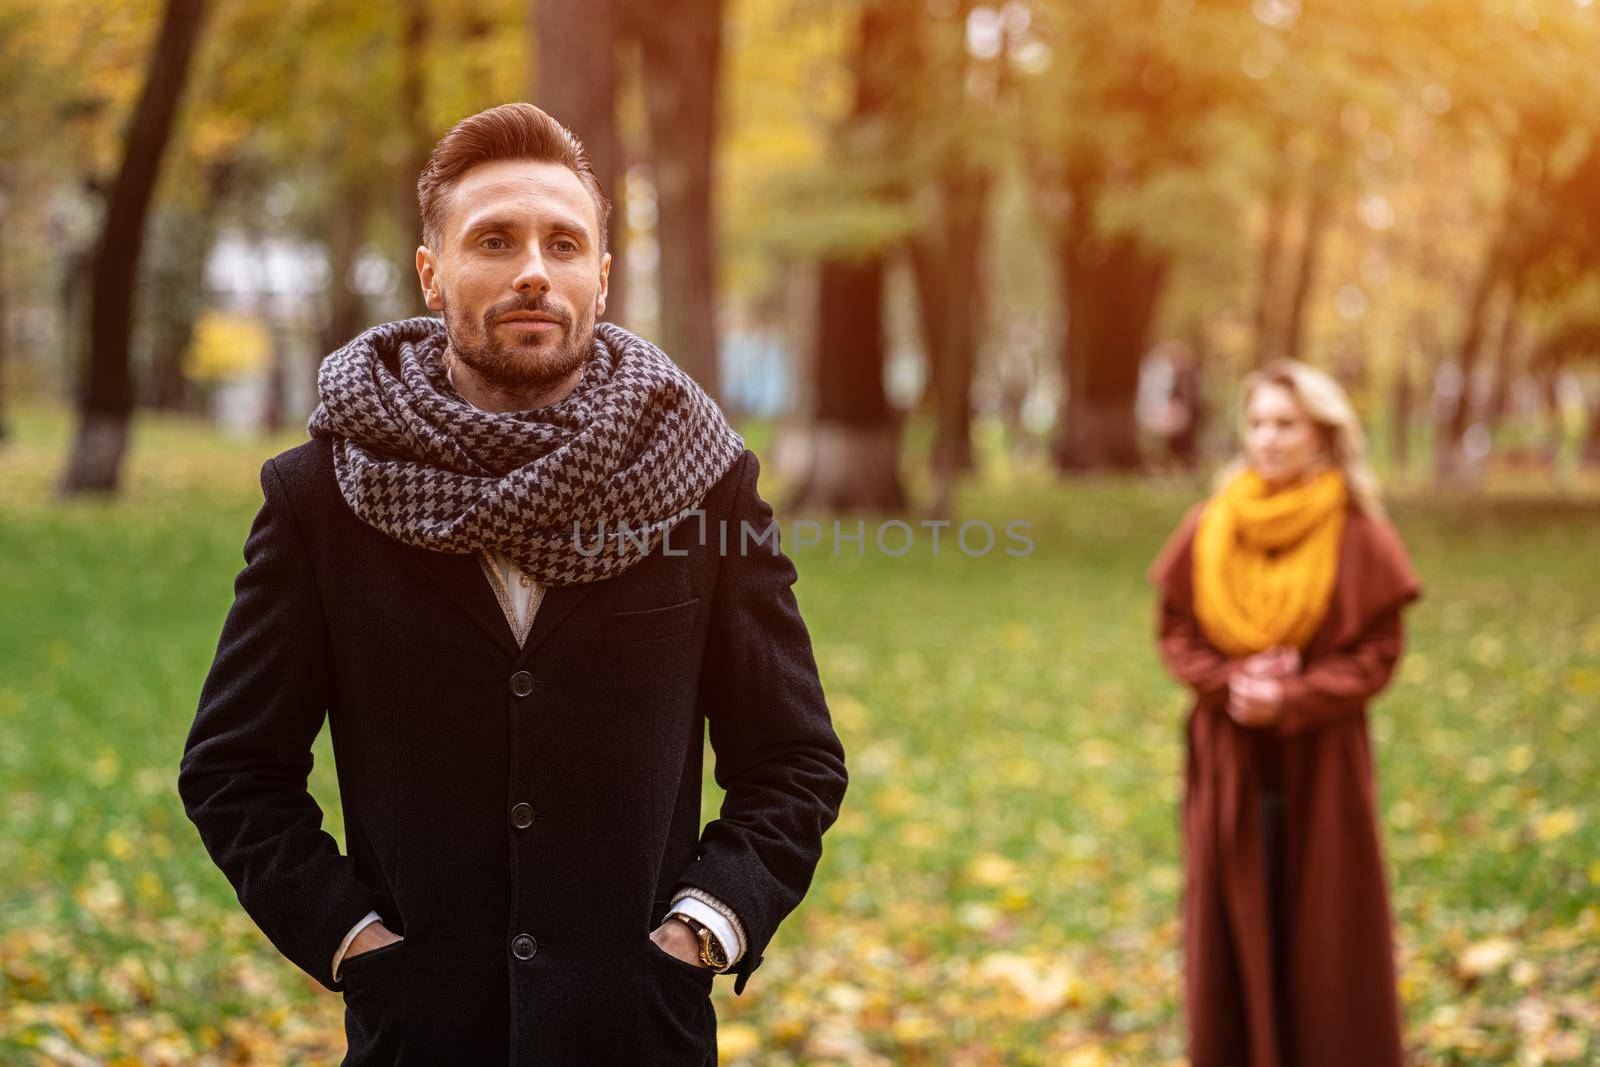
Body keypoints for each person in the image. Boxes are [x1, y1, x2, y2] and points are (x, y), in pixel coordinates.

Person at [177, 102, 848, 1066]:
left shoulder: (702, 478)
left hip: (640, 1033)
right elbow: (234, 769)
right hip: (420, 1035)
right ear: (432, 272)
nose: (535, 268)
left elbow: (794, 757)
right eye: (495, 239)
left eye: (563, 243)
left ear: (601, 280)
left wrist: (704, 927)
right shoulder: (322, 493)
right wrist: (352, 942)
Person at [1146, 359, 1422, 1067]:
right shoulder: (1212, 523)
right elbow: (1175, 628)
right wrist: (1232, 681)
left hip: (1322, 762)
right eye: (1259, 422)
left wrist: (1294, 696)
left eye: (1286, 424)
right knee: (1233, 924)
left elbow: (1378, 652)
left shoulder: (1358, 531)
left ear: (1322, 436)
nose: (1268, 438)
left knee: (1325, 932)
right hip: (1227, 758)